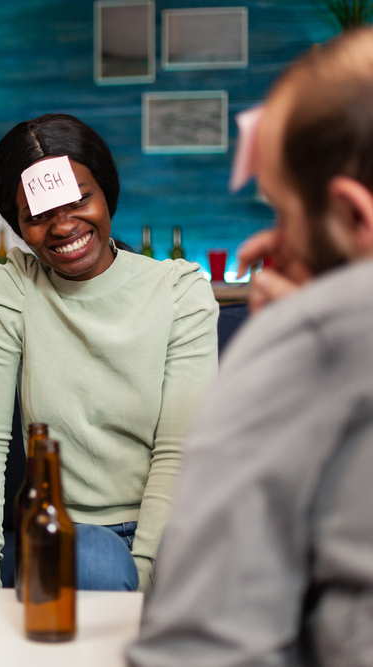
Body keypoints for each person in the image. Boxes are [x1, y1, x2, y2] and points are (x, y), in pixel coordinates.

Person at [127, 27, 373, 666]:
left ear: (355, 216)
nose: (269, 247)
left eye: (284, 214)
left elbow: (193, 643)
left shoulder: (308, 345)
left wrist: (295, 350)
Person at [0, 114, 219, 592]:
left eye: (79, 200)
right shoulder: (13, 289)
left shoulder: (180, 292)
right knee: (95, 566)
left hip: (175, 524)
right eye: (37, 214)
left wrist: (143, 577)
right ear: (18, 224)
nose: (62, 226)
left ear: (107, 192)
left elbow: (178, 450)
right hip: (70, 533)